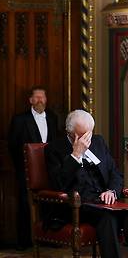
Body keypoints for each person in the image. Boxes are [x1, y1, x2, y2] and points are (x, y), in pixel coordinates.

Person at [45, 109, 128, 257]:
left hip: (103, 201)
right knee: (107, 217)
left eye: (90, 133)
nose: (88, 139)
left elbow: (115, 173)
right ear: (70, 133)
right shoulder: (54, 149)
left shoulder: (98, 141)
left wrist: (112, 191)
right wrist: (76, 154)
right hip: (77, 205)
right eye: (83, 136)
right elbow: (59, 184)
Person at [8, 86, 59, 250]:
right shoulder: (19, 119)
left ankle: (49, 239)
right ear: (30, 100)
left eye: (42, 97)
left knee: (49, 203)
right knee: (24, 204)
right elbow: (13, 146)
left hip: (49, 170)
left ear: (46, 100)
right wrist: (22, 168)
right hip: (26, 171)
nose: (40, 100)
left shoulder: (52, 118)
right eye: (36, 97)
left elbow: (55, 144)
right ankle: (24, 242)